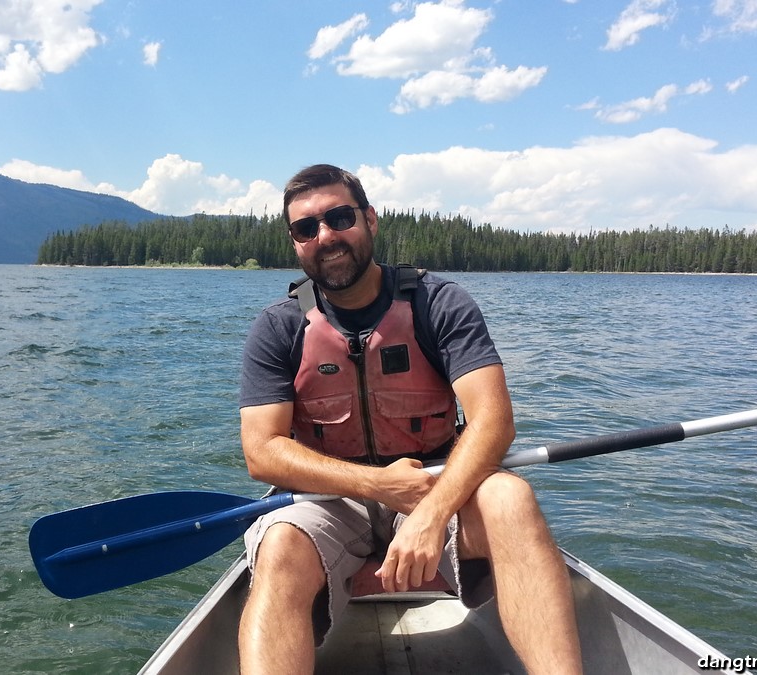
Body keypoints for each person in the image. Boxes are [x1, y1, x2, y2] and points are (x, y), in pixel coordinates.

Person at [236, 164, 582, 674]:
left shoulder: (438, 303)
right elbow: (261, 451)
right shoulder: (278, 326)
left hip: (434, 483)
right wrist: (377, 484)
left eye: (339, 217)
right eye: (307, 228)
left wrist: (431, 512)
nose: (326, 236)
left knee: (511, 498)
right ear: (295, 243)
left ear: (370, 220)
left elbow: (493, 421)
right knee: (281, 544)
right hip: (328, 500)